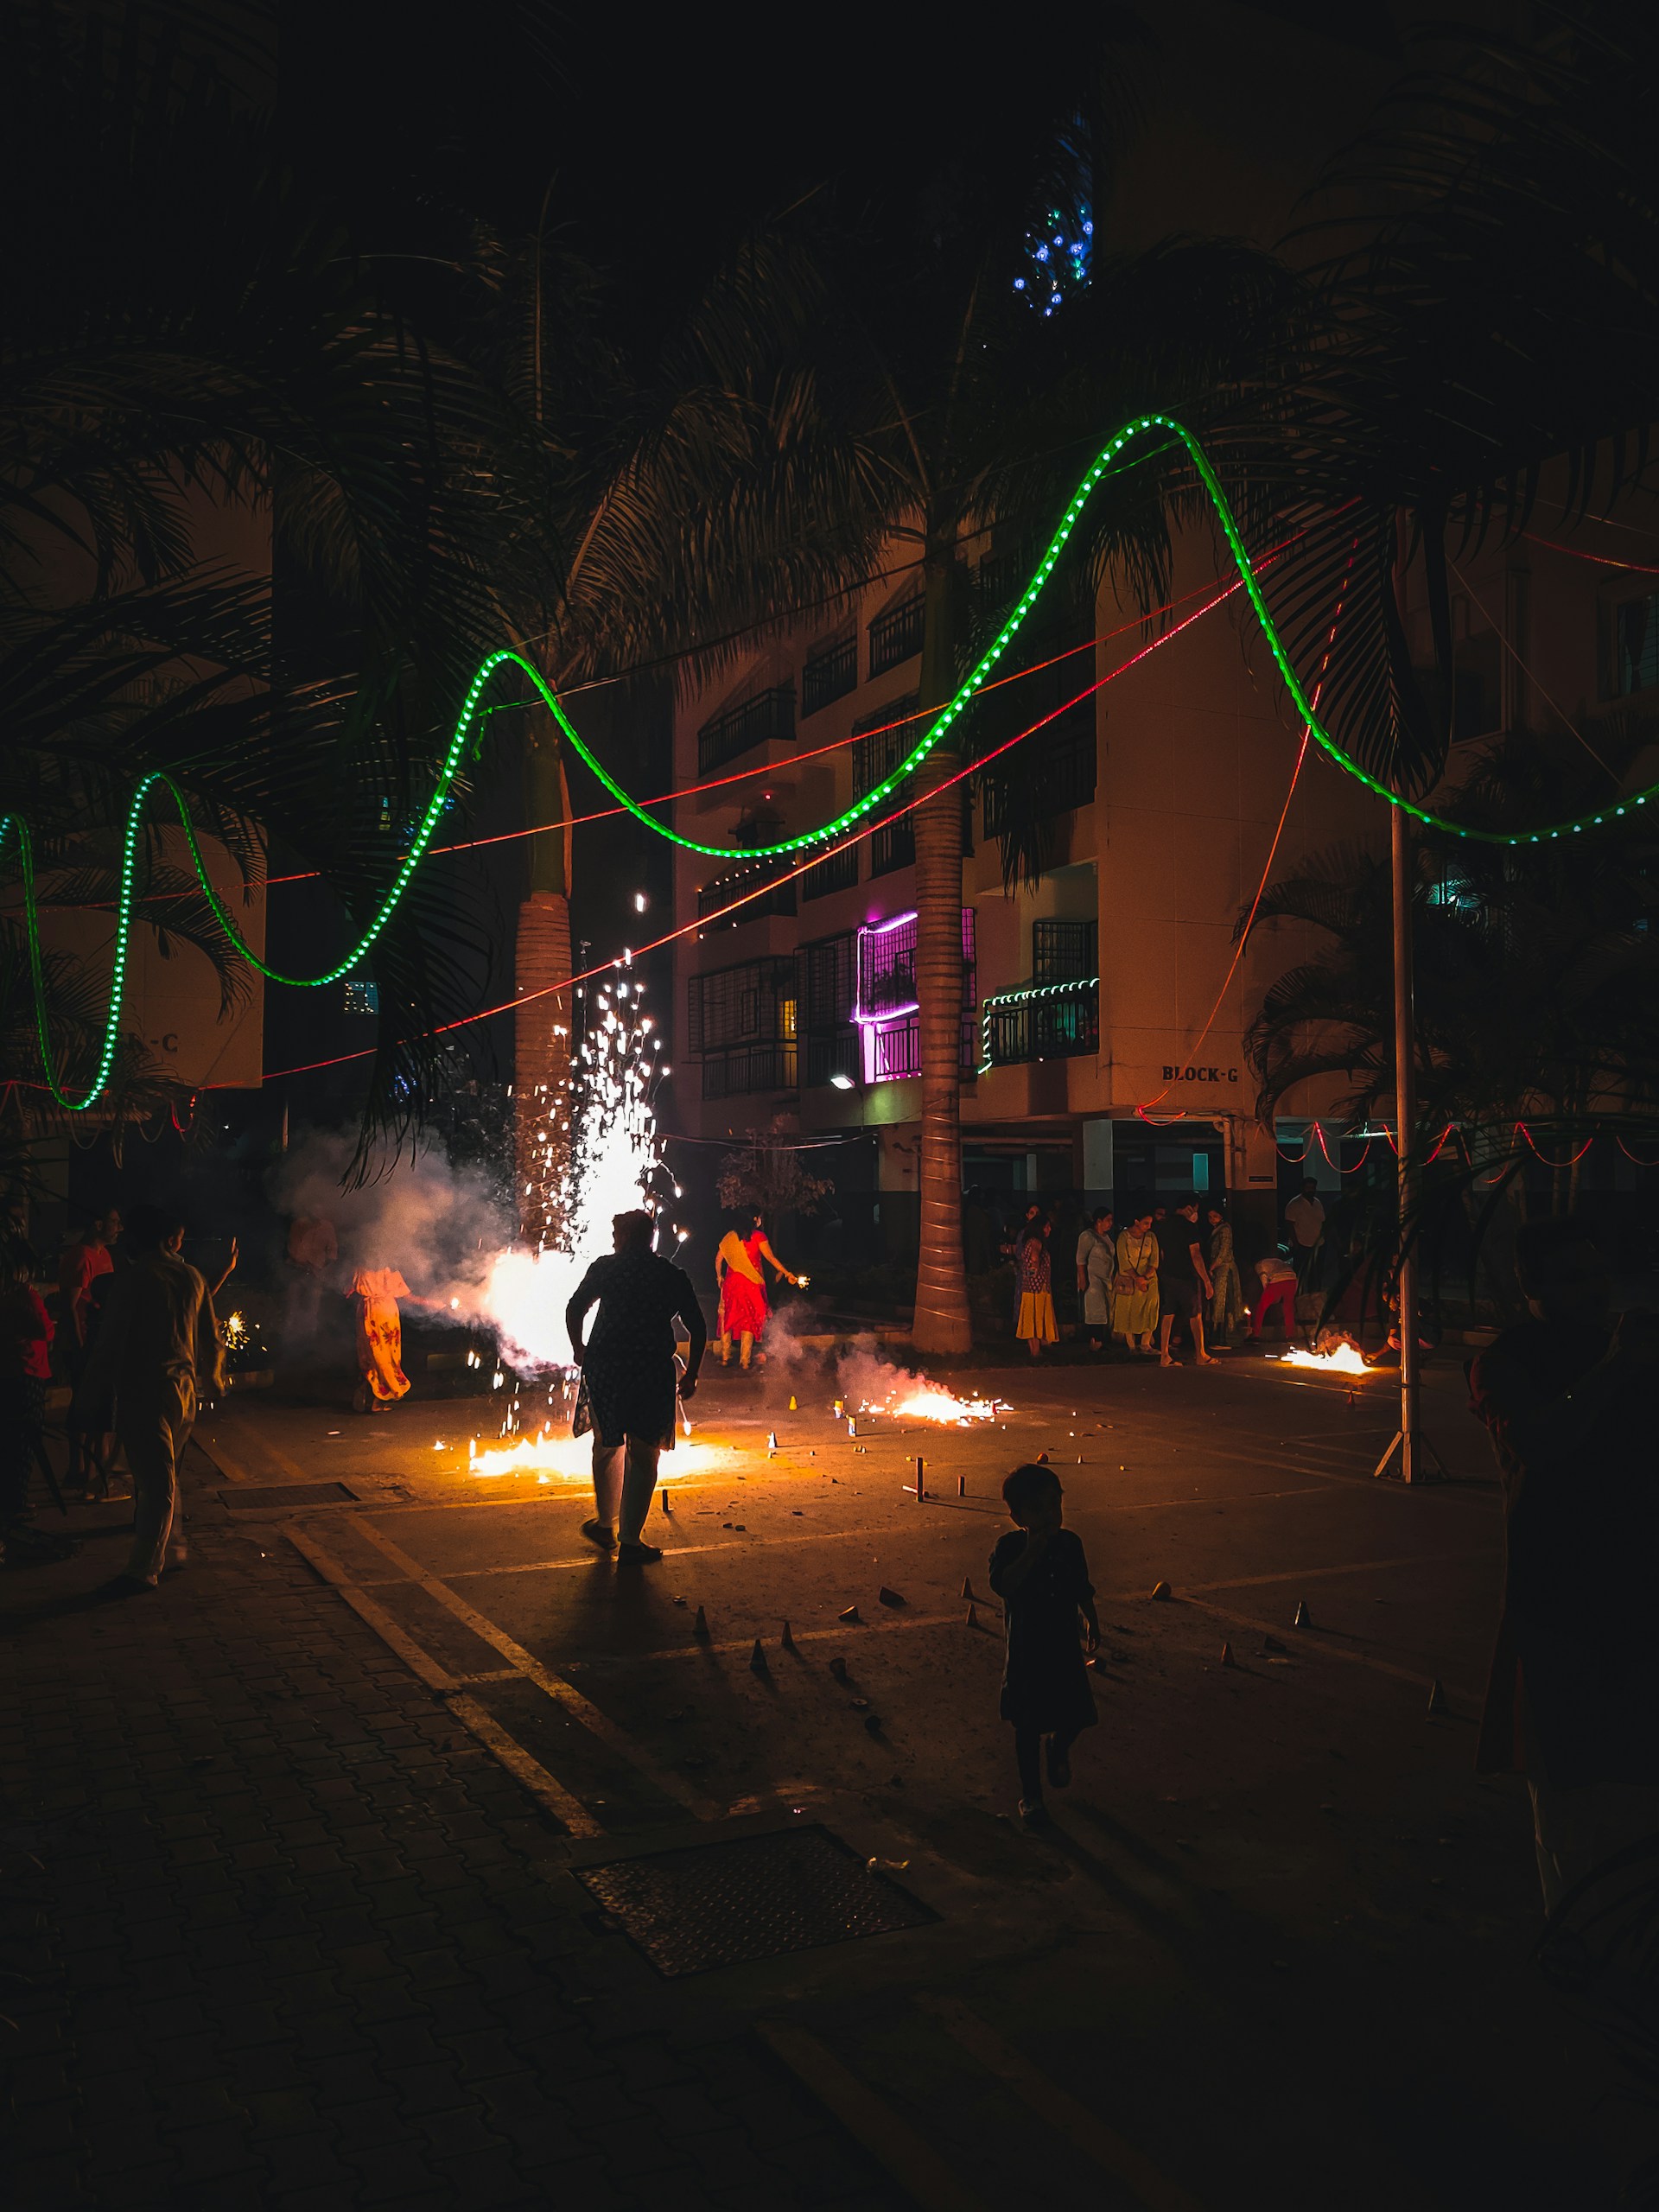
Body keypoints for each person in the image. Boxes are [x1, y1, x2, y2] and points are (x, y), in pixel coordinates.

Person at [1468, 1216, 1659, 1917]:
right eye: (1577, 1277)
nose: (1597, 1289)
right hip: (1557, 1584)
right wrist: (1615, 1368)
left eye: (1599, 1272)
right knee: (1563, 1784)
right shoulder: (1508, 1360)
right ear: (1535, 1286)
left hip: (1638, 1577)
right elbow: (1543, 1443)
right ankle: (1573, 1931)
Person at [81, 1202, 225, 1596]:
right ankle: (172, 1549)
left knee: (157, 1480)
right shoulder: (191, 1276)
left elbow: (110, 1343)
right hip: (183, 1392)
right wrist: (213, 1377)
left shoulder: (135, 1279)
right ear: (170, 1239)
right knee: (165, 1475)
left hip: (144, 1389)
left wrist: (92, 1393)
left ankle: (144, 1568)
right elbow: (210, 1335)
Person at [567, 1210, 707, 1563]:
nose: (613, 1239)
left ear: (629, 1236)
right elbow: (698, 1326)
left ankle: (604, 1524)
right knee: (644, 1454)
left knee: (606, 1444)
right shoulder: (669, 1275)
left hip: (607, 1368)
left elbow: (575, 1308)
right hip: (649, 1371)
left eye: (616, 1232)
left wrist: (579, 1348)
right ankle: (629, 1541)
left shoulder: (606, 1267)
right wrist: (691, 1373)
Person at [988, 1463, 1099, 1830]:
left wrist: (1091, 1618)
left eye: (1055, 1505)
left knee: (1079, 1714)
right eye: (1038, 1509)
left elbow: (1081, 1585)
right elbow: (1004, 1585)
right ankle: (1031, 1796)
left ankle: (1059, 1745)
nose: (1051, 1516)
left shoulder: (1071, 1544)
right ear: (1017, 1515)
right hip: (1027, 1652)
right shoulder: (1010, 1547)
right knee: (1027, 1727)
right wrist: (1031, 1552)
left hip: (1064, 1646)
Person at [58, 1206, 120, 1485]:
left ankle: (90, 1470)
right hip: (85, 1343)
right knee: (83, 1409)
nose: (118, 1228)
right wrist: (81, 1346)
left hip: (99, 1341)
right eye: (114, 1222)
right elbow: (70, 1307)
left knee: (98, 1408)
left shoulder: (104, 1255)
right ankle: (78, 1469)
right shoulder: (81, 1257)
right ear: (98, 1224)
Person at [0, 1243, 54, 1529]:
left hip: (9, 1367)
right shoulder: (24, 1296)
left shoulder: (6, 1295)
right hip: (28, 1369)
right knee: (24, 1438)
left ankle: (10, 1499)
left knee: (10, 1437)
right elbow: (45, 1331)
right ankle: (16, 1503)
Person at [715, 1210, 802, 1370]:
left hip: (732, 1285)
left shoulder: (730, 1237)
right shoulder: (758, 1237)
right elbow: (771, 1258)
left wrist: (719, 1276)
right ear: (754, 1219)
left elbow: (719, 1258)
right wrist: (787, 1273)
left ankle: (725, 1357)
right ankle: (745, 1361)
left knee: (727, 1318)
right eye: (760, 1217)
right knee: (748, 1320)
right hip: (751, 1285)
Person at [1155, 1198, 1216, 1368]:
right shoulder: (1189, 1227)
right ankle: (1200, 1354)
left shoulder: (1162, 1225)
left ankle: (1164, 1355)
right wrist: (1206, 1281)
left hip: (1167, 1274)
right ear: (1189, 1208)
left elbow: (1161, 1252)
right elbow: (1195, 1254)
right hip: (1186, 1276)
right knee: (1195, 1314)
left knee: (1168, 1313)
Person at [350, 1260, 411, 1414]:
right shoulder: (388, 1271)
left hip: (367, 1311)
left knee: (369, 1355)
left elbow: (349, 1290)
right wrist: (434, 1304)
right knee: (385, 1357)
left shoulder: (360, 1269)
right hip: (385, 1312)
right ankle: (375, 1401)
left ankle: (365, 1397)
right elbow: (408, 1296)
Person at [1111, 1208, 1160, 1355]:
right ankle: (1131, 1346)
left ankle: (1145, 1343)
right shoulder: (1124, 1237)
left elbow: (1154, 1260)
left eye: (1150, 1223)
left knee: (1150, 1309)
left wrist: (1144, 1278)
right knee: (1127, 1310)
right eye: (1146, 1223)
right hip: (1129, 1280)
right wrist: (1137, 1278)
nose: (1149, 1226)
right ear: (1136, 1222)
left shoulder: (1151, 1237)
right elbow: (1123, 1261)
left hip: (1148, 1280)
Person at [286, 1211, 338, 1344]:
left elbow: (332, 1253)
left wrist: (323, 1269)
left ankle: (309, 1340)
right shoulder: (299, 1223)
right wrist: (296, 1262)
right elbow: (292, 1246)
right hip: (297, 1270)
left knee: (312, 1307)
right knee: (292, 1306)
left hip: (316, 1273)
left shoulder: (327, 1227)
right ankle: (290, 1339)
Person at [1014, 1210, 1057, 1358]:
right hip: (1038, 1289)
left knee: (1030, 1320)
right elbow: (1034, 1261)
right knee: (1037, 1320)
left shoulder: (1028, 1242)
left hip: (1028, 1288)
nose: (1049, 1229)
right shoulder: (1036, 1243)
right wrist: (1035, 1271)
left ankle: (1034, 1352)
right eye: (1047, 1227)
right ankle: (1036, 1353)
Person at [1074, 1207, 1115, 1351]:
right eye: (1108, 1220)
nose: (1110, 1224)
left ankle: (1101, 1340)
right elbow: (1080, 1259)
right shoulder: (1088, 1236)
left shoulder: (1106, 1237)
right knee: (1096, 1310)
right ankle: (1095, 1341)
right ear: (1099, 1221)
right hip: (1093, 1279)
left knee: (1105, 1310)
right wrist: (1083, 1278)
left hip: (1106, 1279)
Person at [1205, 1203, 1245, 1349]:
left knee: (1224, 1302)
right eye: (1210, 1217)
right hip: (1218, 1270)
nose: (1212, 1219)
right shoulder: (1217, 1229)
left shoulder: (1225, 1229)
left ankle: (1225, 1339)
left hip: (1225, 1270)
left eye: (1215, 1216)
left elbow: (1223, 1251)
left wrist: (1212, 1266)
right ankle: (1218, 1337)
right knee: (1218, 1303)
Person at [1285, 1177, 1326, 1287]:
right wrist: (1296, 1244)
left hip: (1318, 1244)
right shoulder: (1294, 1204)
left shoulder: (1318, 1203)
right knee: (1302, 1272)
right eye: (1308, 1188)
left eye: (1312, 1188)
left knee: (1317, 1273)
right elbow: (1289, 1225)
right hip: (1303, 1244)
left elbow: (1322, 1221)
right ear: (1302, 1188)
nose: (1310, 1190)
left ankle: (1315, 1294)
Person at [1251, 1249, 1299, 1343]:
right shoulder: (1277, 1262)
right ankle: (1290, 1336)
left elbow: (1264, 1279)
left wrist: (1268, 1294)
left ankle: (1255, 1334)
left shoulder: (1259, 1265)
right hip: (1292, 1279)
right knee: (1288, 1308)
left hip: (1278, 1279)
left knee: (1261, 1307)